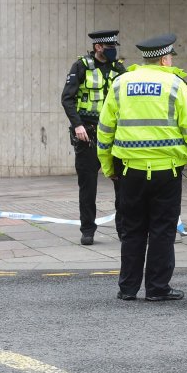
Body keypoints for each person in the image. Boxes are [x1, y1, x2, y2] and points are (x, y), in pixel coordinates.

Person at [96, 33, 187, 302]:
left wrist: (107, 167)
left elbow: (104, 130)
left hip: (129, 172)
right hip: (166, 173)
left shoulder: (120, 84)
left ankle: (127, 288)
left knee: (132, 230)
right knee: (162, 230)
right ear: (164, 58)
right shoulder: (175, 85)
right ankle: (158, 288)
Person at [60, 29, 126, 246]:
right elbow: (67, 99)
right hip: (88, 133)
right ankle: (88, 230)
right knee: (88, 186)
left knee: (121, 184)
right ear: (98, 47)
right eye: (109, 48)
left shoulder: (119, 69)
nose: (113, 52)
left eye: (114, 48)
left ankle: (123, 229)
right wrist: (77, 125)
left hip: (114, 134)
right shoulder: (81, 66)